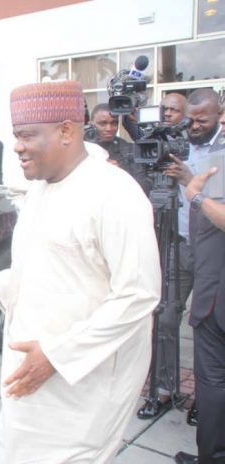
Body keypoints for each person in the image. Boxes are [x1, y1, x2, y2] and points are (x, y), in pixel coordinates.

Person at [0, 80, 161, 463]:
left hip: (83, 384)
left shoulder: (115, 194)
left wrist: (57, 356)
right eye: (15, 136)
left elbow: (138, 295)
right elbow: (48, 271)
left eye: (27, 136)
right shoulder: (40, 189)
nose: (17, 147)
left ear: (67, 131)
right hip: (32, 372)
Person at [172, 93, 225, 464]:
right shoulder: (182, 143)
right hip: (200, 266)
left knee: (214, 379)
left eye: (201, 119)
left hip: (217, 292)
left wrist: (195, 195)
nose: (193, 125)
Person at [136, 92, 191, 420]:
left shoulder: (204, 148)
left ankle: (208, 401)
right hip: (173, 241)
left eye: (175, 110)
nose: (168, 114)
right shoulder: (155, 145)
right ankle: (164, 388)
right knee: (166, 317)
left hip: (208, 245)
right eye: (164, 109)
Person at [90, 102, 151, 193]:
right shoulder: (79, 148)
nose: (109, 128)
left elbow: (143, 187)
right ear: (91, 124)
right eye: (103, 123)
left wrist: (120, 172)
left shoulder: (130, 150)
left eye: (114, 123)